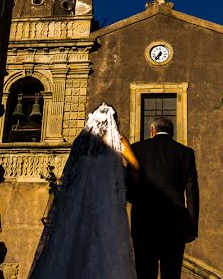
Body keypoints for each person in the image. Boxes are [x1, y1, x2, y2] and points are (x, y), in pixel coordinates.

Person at [28, 103, 140, 279]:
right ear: (113, 121)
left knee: (74, 247)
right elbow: (136, 166)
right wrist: (125, 182)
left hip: (79, 204)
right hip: (107, 206)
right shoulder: (118, 141)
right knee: (106, 248)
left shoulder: (81, 143)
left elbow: (70, 172)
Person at [128, 116, 199, 279]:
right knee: (172, 274)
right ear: (172, 133)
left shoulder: (137, 149)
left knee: (144, 273)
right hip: (175, 224)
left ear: (152, 131)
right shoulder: (186, 153)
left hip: (144, 223)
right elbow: (192, 191)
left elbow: (130, 184)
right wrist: (192, 226)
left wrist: (134, 199)